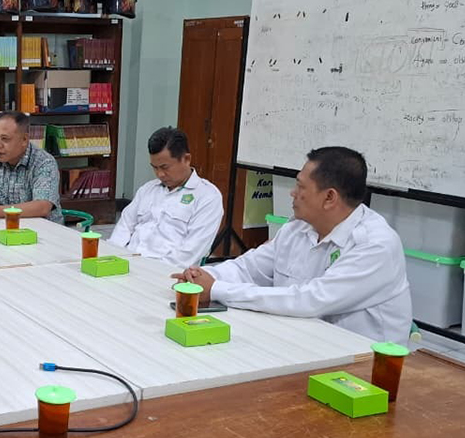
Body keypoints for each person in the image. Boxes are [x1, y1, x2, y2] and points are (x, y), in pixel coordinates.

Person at [173, 147, 412, 343]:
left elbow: (309, 301)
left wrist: (216, 289)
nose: (292, 193)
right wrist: (203, 277)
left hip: (362, 363)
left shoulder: (374, 245)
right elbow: (249, 268)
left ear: (329, 197)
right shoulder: (299, 227)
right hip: (299, 340)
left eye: (300, 186)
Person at [108, 127, 224, 267]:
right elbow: (124, 227)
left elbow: (189, 254)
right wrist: (112, 257)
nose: (160, 174)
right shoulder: (148, 189)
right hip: (126, 264)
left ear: (186, 159)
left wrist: (149, 270)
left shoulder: (207, 197)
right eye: (155, 167)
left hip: (164, 272)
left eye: (165, 167)